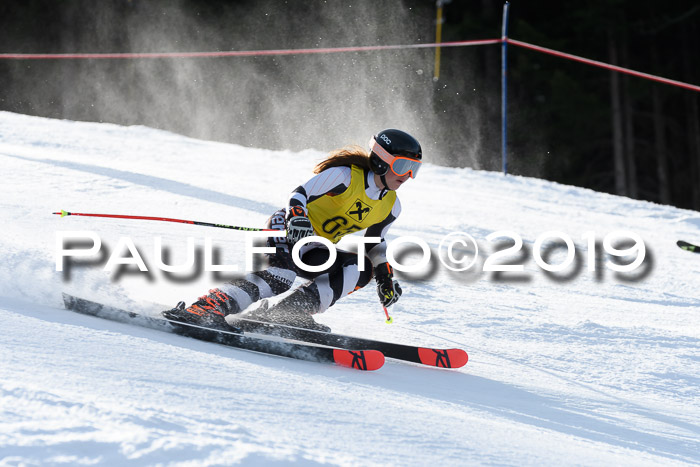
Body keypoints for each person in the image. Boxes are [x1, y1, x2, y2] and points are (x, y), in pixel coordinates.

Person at [163, 128, 423, 331]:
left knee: (360, 269)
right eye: (402, 166)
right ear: (380, 161)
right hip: (287, 229)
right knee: (280, 276)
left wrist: (384, 276)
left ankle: (287, 316)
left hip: (316, 246)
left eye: (415, 169)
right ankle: (205, 308)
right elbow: (299, 195)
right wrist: (298, 218)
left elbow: (374, 243)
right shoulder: (345, 176)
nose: (408, 176)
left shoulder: (391, 205)